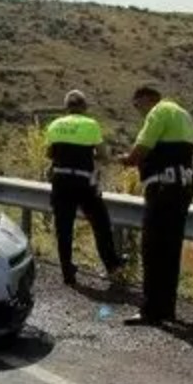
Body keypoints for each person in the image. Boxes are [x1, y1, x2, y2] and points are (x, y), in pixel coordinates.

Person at [120, 85, 193, 327]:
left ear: (147, 99)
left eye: (137, 105)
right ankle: (168, 308)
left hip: (162, 187)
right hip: (184, 186)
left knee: (152, 248)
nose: (138, 112)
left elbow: (139, 152)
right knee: (171, 249)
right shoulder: (184, 115)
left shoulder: (159, 112)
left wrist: (126, 159)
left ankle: (150, 311)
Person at [45, 90, 125, 286]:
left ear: (66, 107)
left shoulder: (55, 125)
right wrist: (88, 156)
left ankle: (67, 273)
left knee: (63, 227)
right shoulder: (91, 125)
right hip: (83, 182)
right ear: (84, 107)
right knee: (100, 223)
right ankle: (112, 265)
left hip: (60, 181)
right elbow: (103, 155)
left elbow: (49, 154)